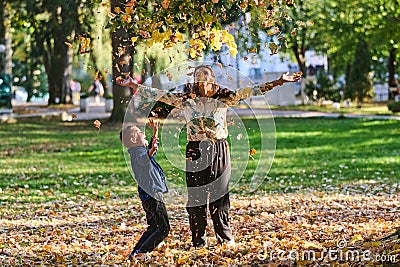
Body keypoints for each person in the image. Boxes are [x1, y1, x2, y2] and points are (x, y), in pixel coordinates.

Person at [117, 65, 301, 248]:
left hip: (219, 149)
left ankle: (225, 239)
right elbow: (160, 95)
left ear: (212, 80)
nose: (202, 80)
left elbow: (250, 91)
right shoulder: (186, 100)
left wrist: (278, 82)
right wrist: (134, 85)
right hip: (194, 151)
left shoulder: (225, 98)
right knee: (196, 198)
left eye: (205, 76)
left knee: (219, 196)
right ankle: (198, 241)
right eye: (198, 76)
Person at [119, 119, 170, 262]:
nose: (144, 134)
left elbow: (148, 154)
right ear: (133, 139)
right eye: (141, 133)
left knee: (153, 226)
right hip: (153, 195)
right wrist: (152, 149)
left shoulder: (139, 150)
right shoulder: (136, 154)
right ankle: (142, 253)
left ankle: (135, 254)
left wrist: (155, 133)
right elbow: (144, 158)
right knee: (163, 229)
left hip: (149, 196)